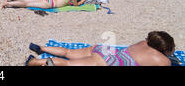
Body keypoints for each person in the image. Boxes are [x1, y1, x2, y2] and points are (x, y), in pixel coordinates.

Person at [26, 31, 176, 66]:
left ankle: (40, 47)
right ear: (166, 49)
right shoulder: (162, 60)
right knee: (68, 63)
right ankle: (34, 62)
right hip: (107, 61)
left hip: (106, 49)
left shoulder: (144, 42)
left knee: (68, 52)